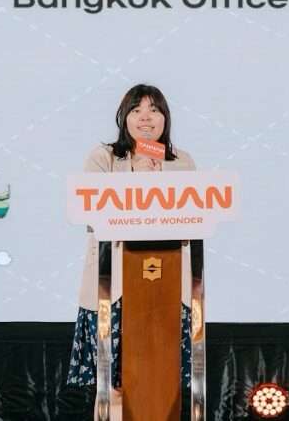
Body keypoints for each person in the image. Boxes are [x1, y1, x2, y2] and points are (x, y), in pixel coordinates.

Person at [67, 84, 195, 391]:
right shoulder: (103, 158)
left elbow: (193, 222)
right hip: (112, 287)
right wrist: (133, 175)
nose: (145, 117)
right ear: (124, 117)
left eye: (154, 110)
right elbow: (92, 216)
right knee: (112, 386)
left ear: (165, 118)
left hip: (168, 285)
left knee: (162, 383)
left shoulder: (182, 161)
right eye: (136, 110)